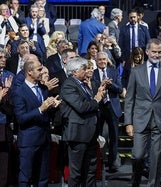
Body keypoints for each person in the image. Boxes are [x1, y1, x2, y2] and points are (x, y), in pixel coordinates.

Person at [124, 38, 161, 187]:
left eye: (159, 52)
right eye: (153, 52)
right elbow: (129, 99)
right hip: (140, 120)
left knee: (156, 158)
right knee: (138, 156)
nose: (156, 55)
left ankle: (152, 185)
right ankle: (135, 181)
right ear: (147, 52)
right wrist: (128, 122)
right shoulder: (136, 71)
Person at [12, 57, 60, 187]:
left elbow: (46, 113)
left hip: (44, 138)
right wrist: (40, 109)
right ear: (29, 72)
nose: (42, 72)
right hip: (28, 140)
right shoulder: (19, 92)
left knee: (43, 177)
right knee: (25, 177)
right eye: (39, 70)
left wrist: (52, 107)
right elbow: (21, 118)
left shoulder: (43, 89)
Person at [60, 57, 106, 186]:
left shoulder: (84, 84)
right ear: (74, 72)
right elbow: (81, 106)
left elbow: (90, 105)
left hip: (90, 133)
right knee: (77, 171)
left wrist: (98, 95)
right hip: (78, 135)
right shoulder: (69, 84)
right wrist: (96, 99)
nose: (86, 71)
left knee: (91, 170)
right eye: (83, 69)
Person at [92, 51, 123, 173]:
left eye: (104, 59)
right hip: (98, 107)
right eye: (100, 60)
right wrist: (101, 84)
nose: (102, 62)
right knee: (96, 136)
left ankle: (112, 163)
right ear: (96, 61)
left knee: (114, 136)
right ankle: (97, 163)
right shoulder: (92, 74)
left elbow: (120, 89)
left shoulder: (113, 72)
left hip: (112, 106)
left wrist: (110, 84)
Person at [0, 48, 14, 187]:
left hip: (5, 122)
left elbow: (14, 100)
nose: (3, 59)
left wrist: (7, 91)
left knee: (4, 160)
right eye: (0, 57)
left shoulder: (10, 76)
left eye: (5, 57)